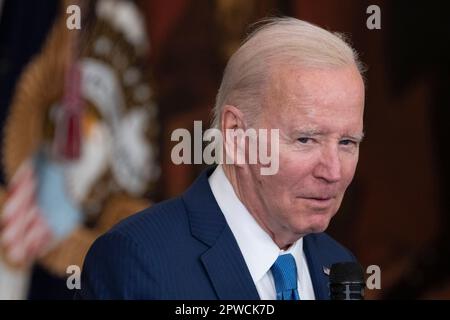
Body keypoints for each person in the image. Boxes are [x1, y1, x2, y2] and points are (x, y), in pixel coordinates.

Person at [77, 17, 366, 300]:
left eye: (347, 142)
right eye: (306, 139)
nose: (333, 172)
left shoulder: (337, 264)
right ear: (236, 134)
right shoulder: (137, 262)